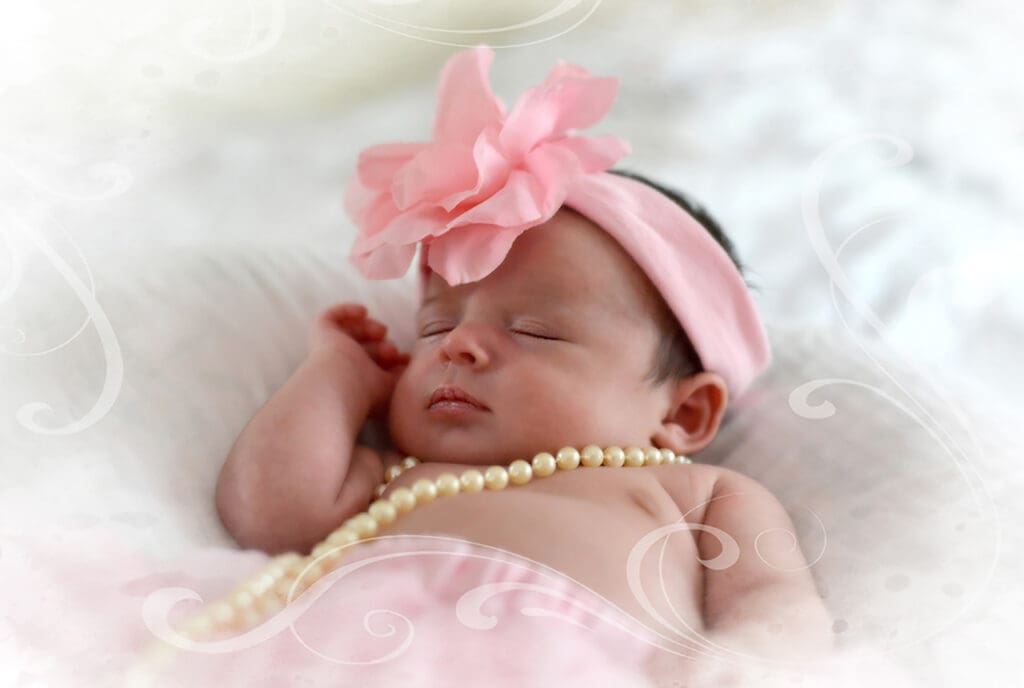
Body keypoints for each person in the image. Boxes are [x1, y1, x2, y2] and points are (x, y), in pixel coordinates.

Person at [214, 45, 833, 676]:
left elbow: (772, 598)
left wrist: (744, 664)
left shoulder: (700, 496)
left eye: (535, 331)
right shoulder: (395, 476)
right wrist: (338, 376)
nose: (459, 344)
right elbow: (270, 515)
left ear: (684, 410)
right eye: (436, 325)